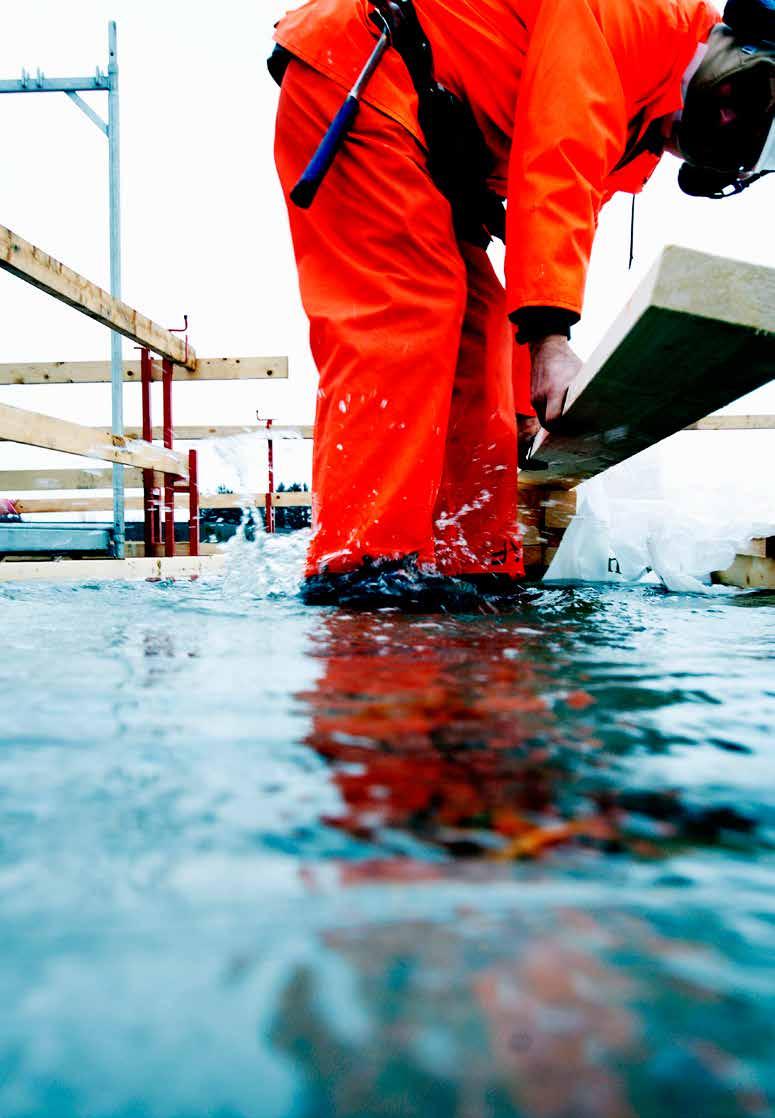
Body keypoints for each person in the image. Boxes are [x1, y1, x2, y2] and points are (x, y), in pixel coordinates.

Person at [270, 0, 774, 604]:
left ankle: (472, 564)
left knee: (479, 330)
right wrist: (551, 339)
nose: (717, 123)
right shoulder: (632, 17)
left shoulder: (642, 130)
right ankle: (362, 568)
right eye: (737, 109)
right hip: (368, 72)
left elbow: (552, 225)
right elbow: (556, 161)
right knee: (408, 311)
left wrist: (524, 406)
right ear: (734, 66)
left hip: (432, 145)